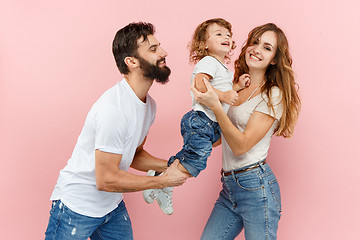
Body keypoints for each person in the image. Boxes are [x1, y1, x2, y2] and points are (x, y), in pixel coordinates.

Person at [44, 22, 187, 240]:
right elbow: (106, 179)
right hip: (76, 208)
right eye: (153, 49)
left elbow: (134, 155)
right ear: (131, 62)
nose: (164, 52)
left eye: (159, 46)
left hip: (111, 207)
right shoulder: (113, 110)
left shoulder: (149, 105)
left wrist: (171, 165)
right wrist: (161, 181)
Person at [192, 23, 301, 240]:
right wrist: (195, 134)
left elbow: (241, 146)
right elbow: (223, 134)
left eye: (267, 47)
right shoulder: (236, 85)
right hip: (229, 187)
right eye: (255, 42)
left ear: (275, 59)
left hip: (256, 188)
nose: (257, 49)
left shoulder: (273, 95)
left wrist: (215, 105)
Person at [143, 18, 250, 215]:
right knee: (195, 161)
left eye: (228, 34)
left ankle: (161, 175)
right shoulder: (209, 62)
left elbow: (221, 92)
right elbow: (201, 86)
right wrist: (225, 95)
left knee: (191, 156)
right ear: (204, 44)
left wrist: (236, 88)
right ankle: (162, 182)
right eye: (218, 34)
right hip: (201, 121)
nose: (226, 36)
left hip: (212, 125)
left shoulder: (222, 68)